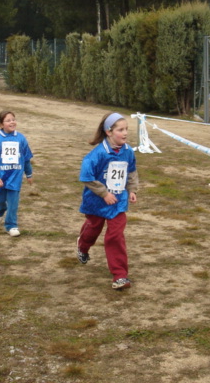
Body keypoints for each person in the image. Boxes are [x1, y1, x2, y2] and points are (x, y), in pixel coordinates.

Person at [77, 112, 138, 290]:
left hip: (118, 202)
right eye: (120, 130)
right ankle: (83, 246)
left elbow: (131, 171)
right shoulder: (96, 155)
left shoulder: (128, 151)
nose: (125, 133)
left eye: (126, 129)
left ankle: (120, 275)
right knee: (93, 229)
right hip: (96, 202)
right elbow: (86, 177)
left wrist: (132, 189)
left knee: (115, 236)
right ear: (109, 132)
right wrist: (104, 193)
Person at [0, 110, 34, 237]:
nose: (12, 122)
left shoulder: (21, 138)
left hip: (15, 177)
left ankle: (11, 225)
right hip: (1, 177)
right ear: (1, 124)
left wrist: (29, 174)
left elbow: (26, 158)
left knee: (13, 203)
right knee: (0, 200)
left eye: (13, 119)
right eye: (8, 120)